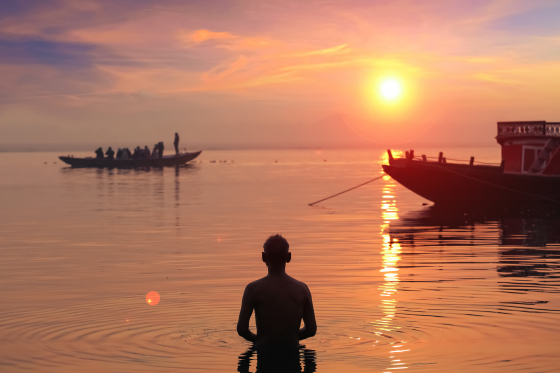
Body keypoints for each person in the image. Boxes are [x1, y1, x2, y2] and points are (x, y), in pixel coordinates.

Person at [237, 234, 317, 351]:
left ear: (263, 257)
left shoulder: (253, 289)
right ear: (289, 257)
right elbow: (311, 330)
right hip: (291, 350)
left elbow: (242, 329)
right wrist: (290, 338)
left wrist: (261, 339)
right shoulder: (302, 289)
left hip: (264, 351)